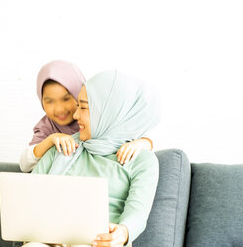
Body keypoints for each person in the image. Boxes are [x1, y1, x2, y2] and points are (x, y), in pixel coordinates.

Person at [0, 70, 160, 247]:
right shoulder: (62, 147)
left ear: (108, 111)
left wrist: (122, 233)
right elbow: (32, 199)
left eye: (83, 108)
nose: (75, 115)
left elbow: (138, 213)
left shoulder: (141, 158)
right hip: (50, 243)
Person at [20, 60, 153, 173]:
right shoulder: (46, 126)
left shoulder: (98, 120)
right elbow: (25, 164)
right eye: (49, 101)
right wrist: (51, 139)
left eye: (66, 99)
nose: (59, 109)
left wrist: (144, 142)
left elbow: (128, 134)